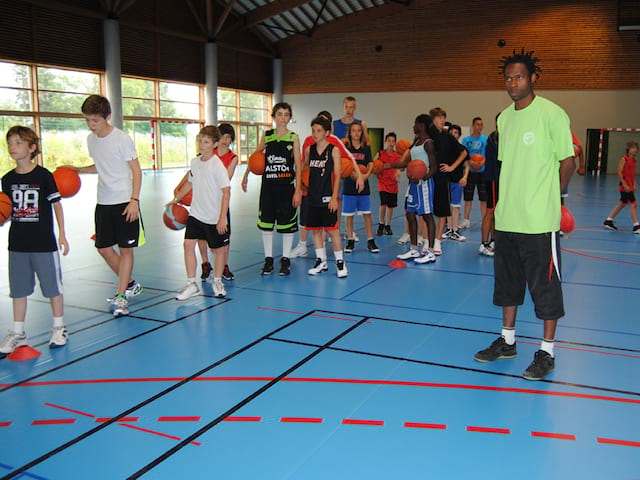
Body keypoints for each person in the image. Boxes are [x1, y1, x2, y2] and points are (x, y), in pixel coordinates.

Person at [473, 48, 575, 381]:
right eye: (508, 77)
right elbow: (507, 166)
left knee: (545, 290)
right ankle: (507, 341)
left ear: (533, 78)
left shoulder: (553, 114)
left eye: (518, 76)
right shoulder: (503, 118)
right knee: (508, 286)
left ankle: (547, 351)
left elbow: (567, 162)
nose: (512, 82)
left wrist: (553, 202)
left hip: (539, 222)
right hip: (507, 219)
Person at [0, 126, 69, 356]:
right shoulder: (7, 180)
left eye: (18, 143)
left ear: (31, 148)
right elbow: (7, 210)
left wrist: (62, 234)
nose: (12, 147)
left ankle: (59, 327)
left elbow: (56, 205)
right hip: (17, 244)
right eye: (10, 143)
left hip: (43, 243)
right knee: (18, 291)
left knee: (52, 288)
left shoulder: (44, 176)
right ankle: (18, 332)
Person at [76, 94, 143, 316]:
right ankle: (130, 283)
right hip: (103, 201)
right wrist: (77, 169)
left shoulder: (122, 139)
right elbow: (100, 165)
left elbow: (136, 170)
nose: (91, 125)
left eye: (95, 120)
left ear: (107, 117)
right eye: (88, 120)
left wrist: (134, 200)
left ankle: (122, 295)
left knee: (126, 250)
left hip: (124, 201)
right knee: (103, 248)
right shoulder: (91, 139)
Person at [291, 110, 363, 258]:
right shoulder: (309, 143)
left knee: (325, 225)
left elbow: (349, 158)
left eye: (322, 126)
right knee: (304, 218)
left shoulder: (334, 143)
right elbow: (303, 165)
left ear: (328, 129)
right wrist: (299, 186)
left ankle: (324, 255)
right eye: (315, 128)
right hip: (309, 188)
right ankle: (302, 246)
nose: (317, 131)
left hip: (326, 189)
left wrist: (360, 176)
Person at [241, 102, 302, 276]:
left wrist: (298, 190)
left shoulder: (293, 137)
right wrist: (246, 174)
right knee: (267, 225)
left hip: (286, 188)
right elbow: (256, 157)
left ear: (289, 117)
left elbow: (298, 164)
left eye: (286, 114)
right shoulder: (267, 136)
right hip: (268, 188)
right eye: (280, 114)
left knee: (286, 225)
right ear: (274, 117)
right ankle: (268, 260)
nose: (283, 117)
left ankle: (285, 259)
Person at [172, 126, 231, 300]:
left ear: (214, 144)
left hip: (213, 217)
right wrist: (175, 200)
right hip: (196, 215)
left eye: (206, 142)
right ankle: (191, 283)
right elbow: (190, 183)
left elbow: (226, 192)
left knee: (219, 251)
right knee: (187, 245)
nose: (202, 144)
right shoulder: (195, 162)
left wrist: (222, 218)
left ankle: (218, 280)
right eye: (200, 140)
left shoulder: (217, 165)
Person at [387, 114, 439, 264]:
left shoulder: (428, 143)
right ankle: (414, 249)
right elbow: (405, 163)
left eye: (415, 123)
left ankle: (430, 252)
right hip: (413, 184)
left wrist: (423, 177)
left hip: (424, 184)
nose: (413, 126)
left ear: (422, 125)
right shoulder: (416, 141)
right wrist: (389, 165)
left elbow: (434, 167)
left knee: (427, 216)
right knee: (410, 214)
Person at [304, 116, 348, 277]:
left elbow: (337, 175)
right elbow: (305, 170)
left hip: (328, 197)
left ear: (327, 132)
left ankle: (340, 263)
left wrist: (334, 197)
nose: (315, 134)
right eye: (313, 130)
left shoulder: (333, 150)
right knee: (316, 231)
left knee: (333, 231)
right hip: (313, 196)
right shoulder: (310, 150)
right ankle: (321, 261)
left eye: (319, 131)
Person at [430, 108, 468, 255]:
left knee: (442, 212)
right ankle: (427, 241)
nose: (442, 120)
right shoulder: (428, 135)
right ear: (433, 119)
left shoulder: (447, 137)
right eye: (439, 117)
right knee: (426, 212)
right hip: (428, 177)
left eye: (443, 117)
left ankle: (438, 241)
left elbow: (464, 152)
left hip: (442, 178)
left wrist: (452, 167)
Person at [343, 122, 379, 254]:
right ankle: (350, 240)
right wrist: (357, 176)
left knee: (367, 214)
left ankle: (370, 241)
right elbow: (346, 165)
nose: (357, 133)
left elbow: (370, 163)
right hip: (350, 185)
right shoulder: (346, 148)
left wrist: (365, 176)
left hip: (364, 185)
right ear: (350, 133)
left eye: (359, 130)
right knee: (349, 215)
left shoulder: (365, 148)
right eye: (354, 130)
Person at [603, 140, 639, 233]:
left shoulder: (634, 161)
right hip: (624, 187)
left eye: (636, 148)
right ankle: (636, 226)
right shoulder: (624, 159)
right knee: (634, 204)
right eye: (633, 148)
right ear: (628, 149)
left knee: (622, 204)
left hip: (630, 186)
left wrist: (634, 184)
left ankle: (608, 220)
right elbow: (619, 172)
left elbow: (633, 174)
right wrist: (625, 184)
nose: (635, 150)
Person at [460, 117, 488, 229]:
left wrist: (480, 164)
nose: (479, 127)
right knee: (468, 197)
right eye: (477, 124)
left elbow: (487, 155)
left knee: (483, 198)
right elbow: (465, 155)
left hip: (482, 172)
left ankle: (484, 220)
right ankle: (466, 220)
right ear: (473, 125)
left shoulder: (486, 139)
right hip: (470, 172)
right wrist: (472, 163)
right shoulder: (466, 140)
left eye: (481, 124)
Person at [479, 114, 500, 256]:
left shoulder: (505, 136)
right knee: (490, 211)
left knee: (497, 213)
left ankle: (493, 240)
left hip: (501, 179)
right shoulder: (495, 137)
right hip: (493, 179)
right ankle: (484, 244)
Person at [375, 132, 400, 236]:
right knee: (383, 203)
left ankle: (387, 225)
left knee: (390, 206)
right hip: (383, 183)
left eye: (393, 141)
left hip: (393, 184)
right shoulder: (380, 154)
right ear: (385, 142)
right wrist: (376, 169)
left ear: (395, 143)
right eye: (389, 141)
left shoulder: (397, 155)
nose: (391, 143)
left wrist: (398, 172)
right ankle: (381, 224)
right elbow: (373, 165)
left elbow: (400, 167)